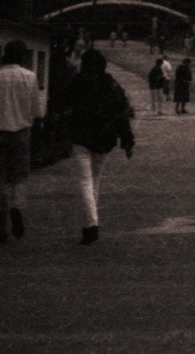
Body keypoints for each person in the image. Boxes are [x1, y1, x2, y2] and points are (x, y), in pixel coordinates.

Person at [65, 49, 135, 245]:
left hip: (81, 138)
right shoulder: (113, 85)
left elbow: (63, 102)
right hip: (104, 140)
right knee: (95, 181)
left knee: (85, 181)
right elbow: (122, 115)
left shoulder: (77, 82)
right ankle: (90, 223)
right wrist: (127, 141)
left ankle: (92, 224)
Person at [0, 40, 41, 243]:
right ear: (23, 56)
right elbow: (36, 110)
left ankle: (0, 229)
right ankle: (17, 205)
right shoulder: (30, 77)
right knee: (19, 176)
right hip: (22, 133)